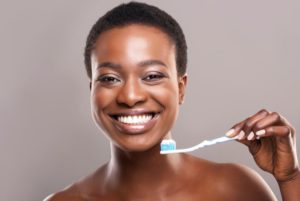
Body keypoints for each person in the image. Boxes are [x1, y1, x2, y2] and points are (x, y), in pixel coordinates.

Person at [44, 2, 300, 200]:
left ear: (180, 89)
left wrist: (290, 179)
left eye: (152, 76)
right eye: (110, 78)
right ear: (92, 90)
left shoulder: (235, 188)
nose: (131, 96)